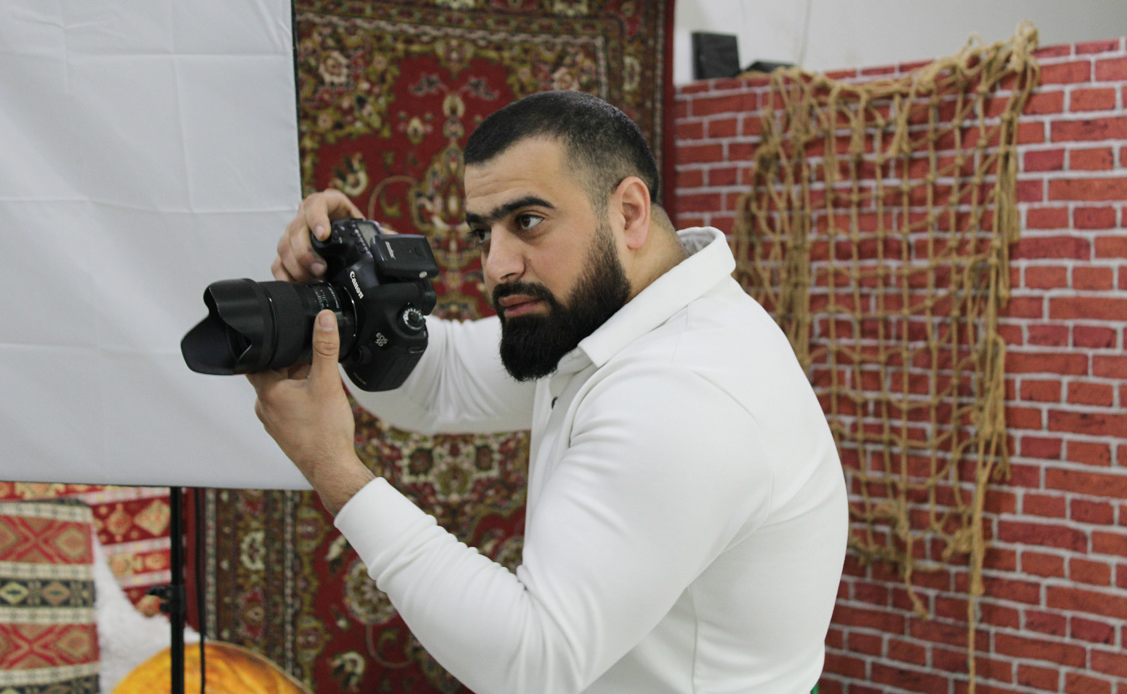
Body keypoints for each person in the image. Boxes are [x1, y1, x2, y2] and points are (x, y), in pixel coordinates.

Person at [247, 91, 848, 694]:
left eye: (527, 222)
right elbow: (442, 382)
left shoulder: (681, 392)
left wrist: (333, 469)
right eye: (484, 233)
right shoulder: (613, 317)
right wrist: (354, 293)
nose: (496, 265)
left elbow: (533, 662)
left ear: (629, 214)